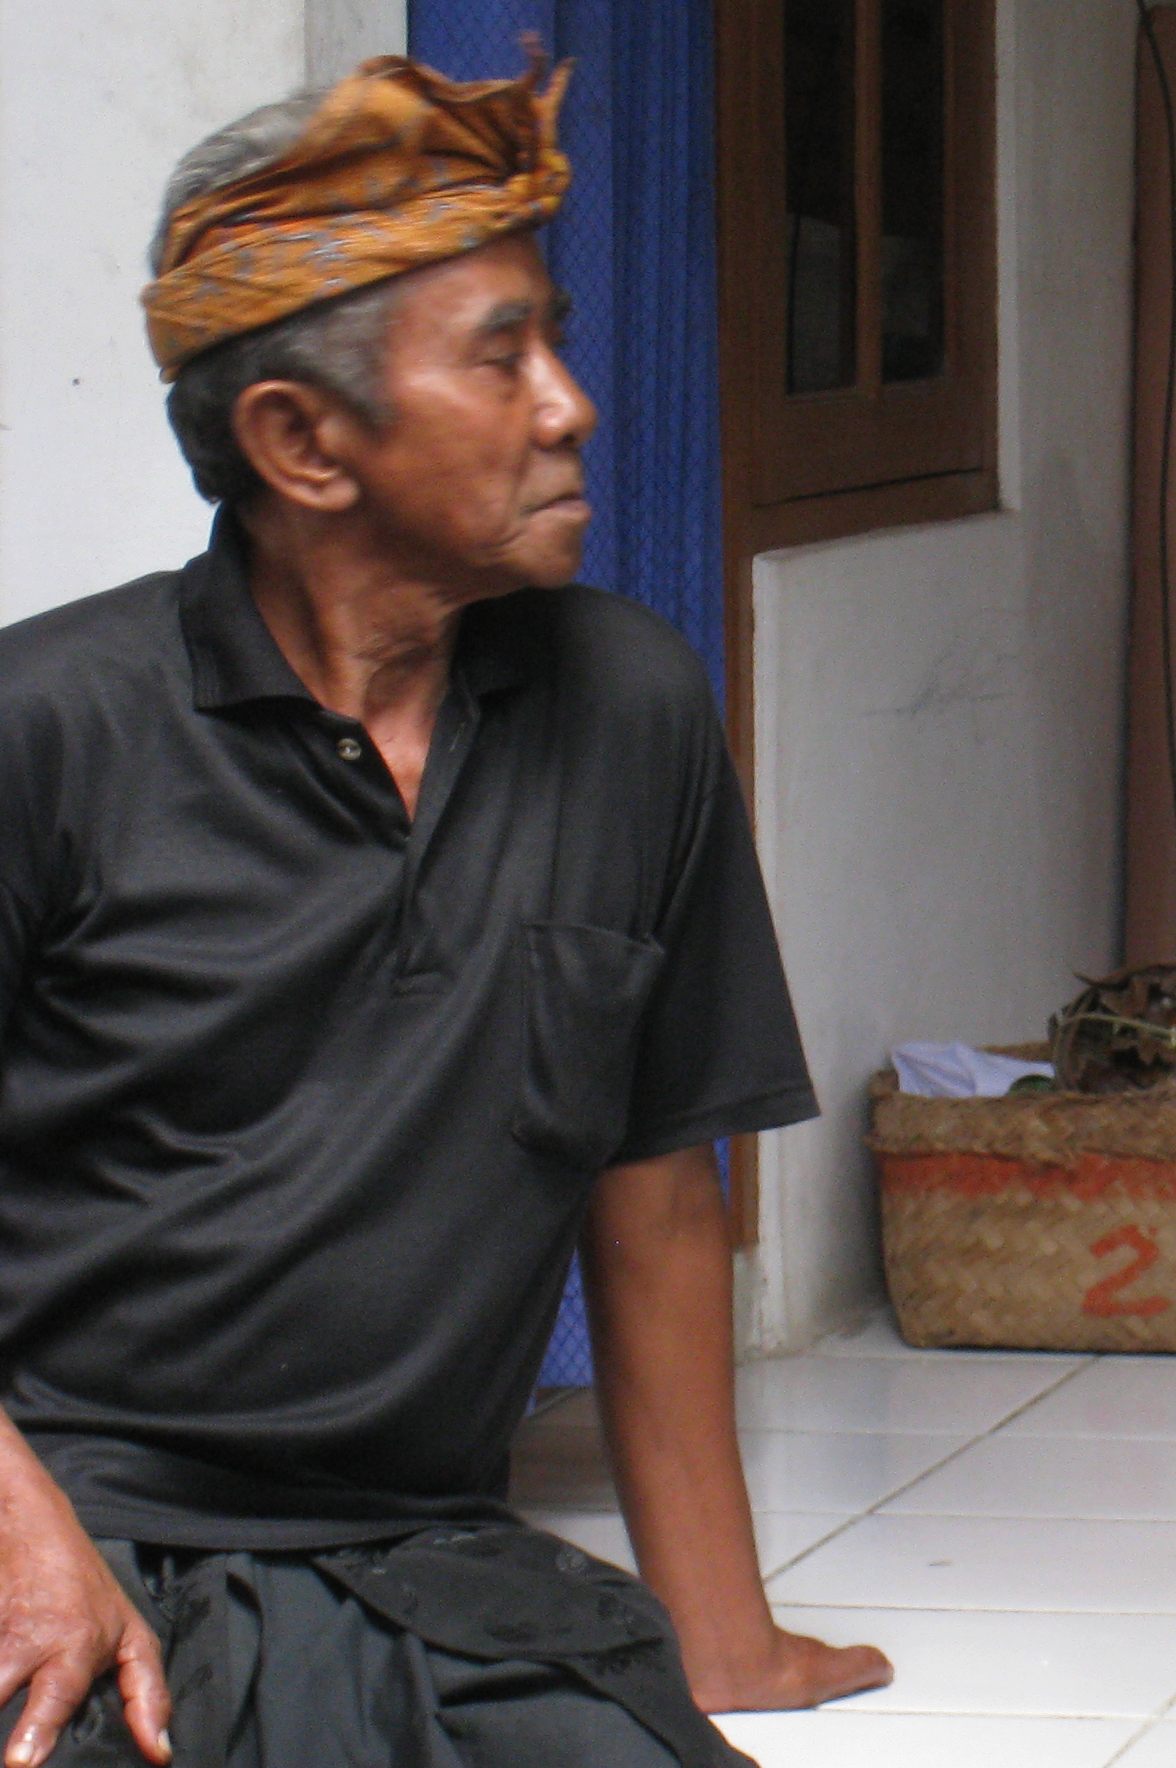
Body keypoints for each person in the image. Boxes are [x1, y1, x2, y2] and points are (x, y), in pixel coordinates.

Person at [0, 48, 892, 1768]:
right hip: (68, 1511)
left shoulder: (629, 707)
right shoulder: (50, 729)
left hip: (417, 1558)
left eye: (553, 337)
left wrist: (725, 1643)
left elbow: (653, 1196)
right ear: (300, 442)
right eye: (502, 359)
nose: (572, 403)